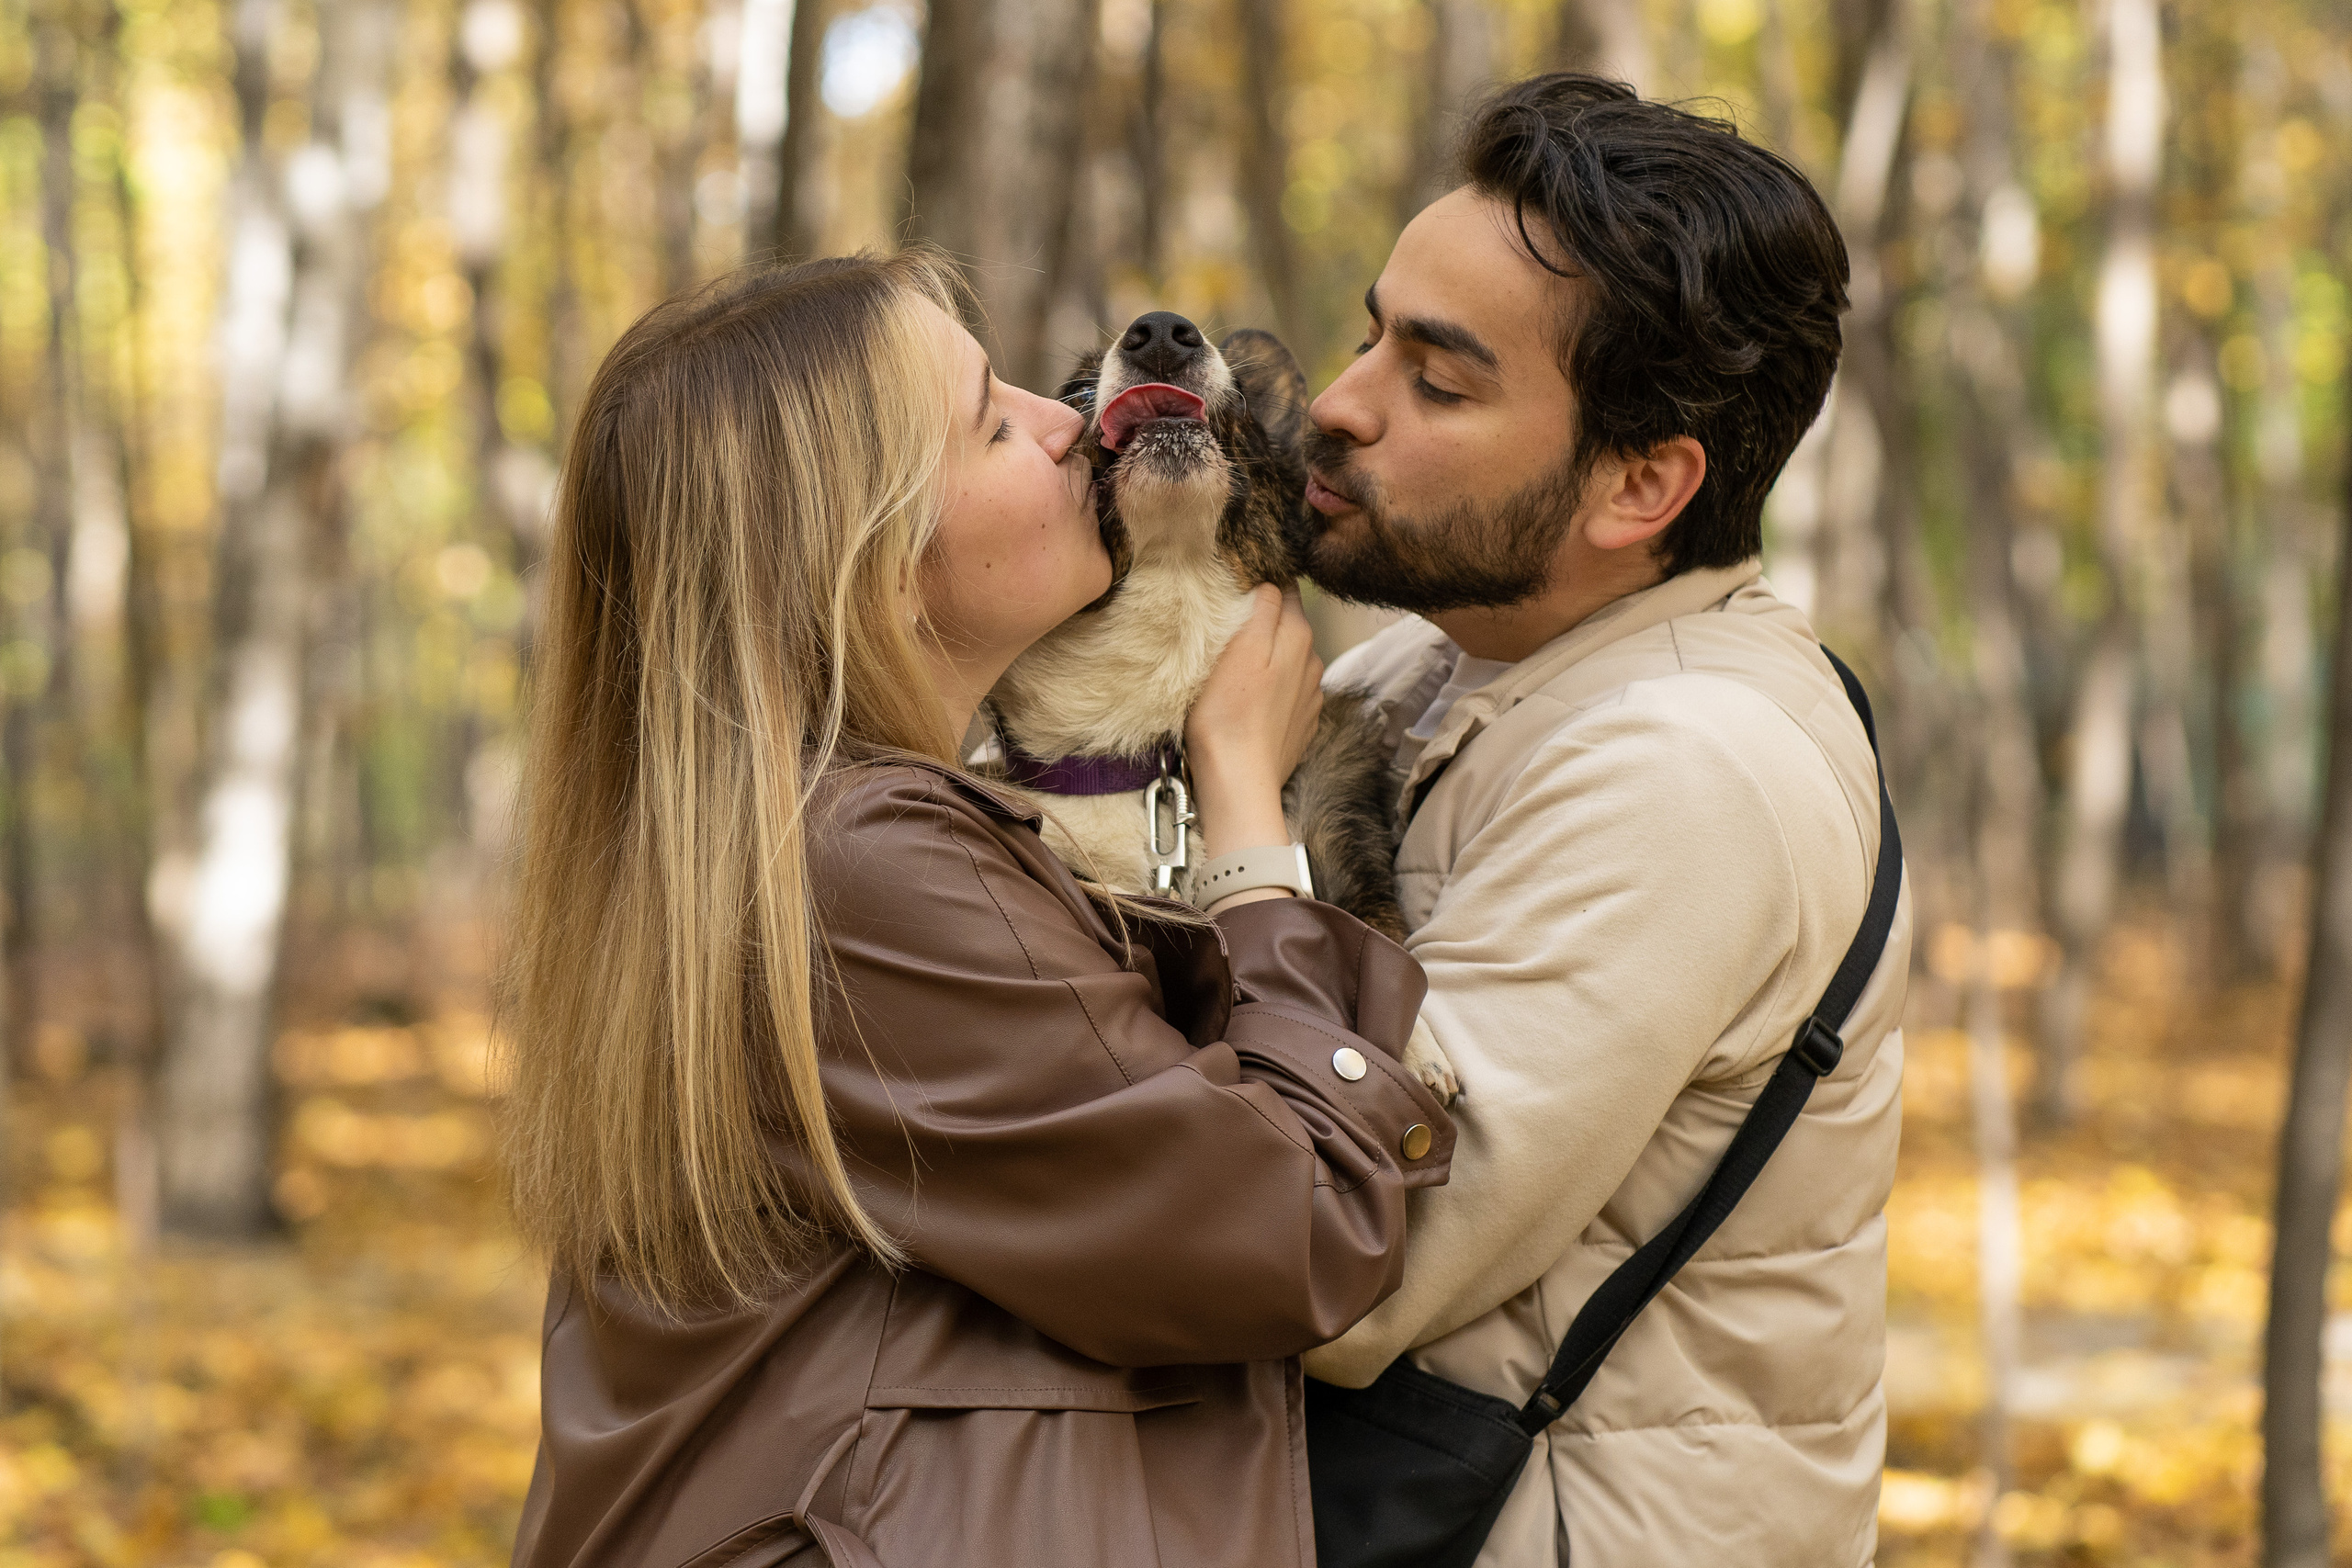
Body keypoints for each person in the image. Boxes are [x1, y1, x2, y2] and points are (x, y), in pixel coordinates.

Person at [499, 251, 1455, 1568]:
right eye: (997, 421)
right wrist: (1243, 819)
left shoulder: (815, 847)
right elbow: (1295, 1228)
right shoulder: (860, 870)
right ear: (876, 560)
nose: (1070, 422)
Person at [1295, 76, 1911, 1566]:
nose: (1337, 401)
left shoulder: (1687, 769)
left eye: (1437, 383)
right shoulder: (1429, 661)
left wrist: (1250, 815)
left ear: (1642, 484)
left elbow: (1341, 1263)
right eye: (1374, 330)